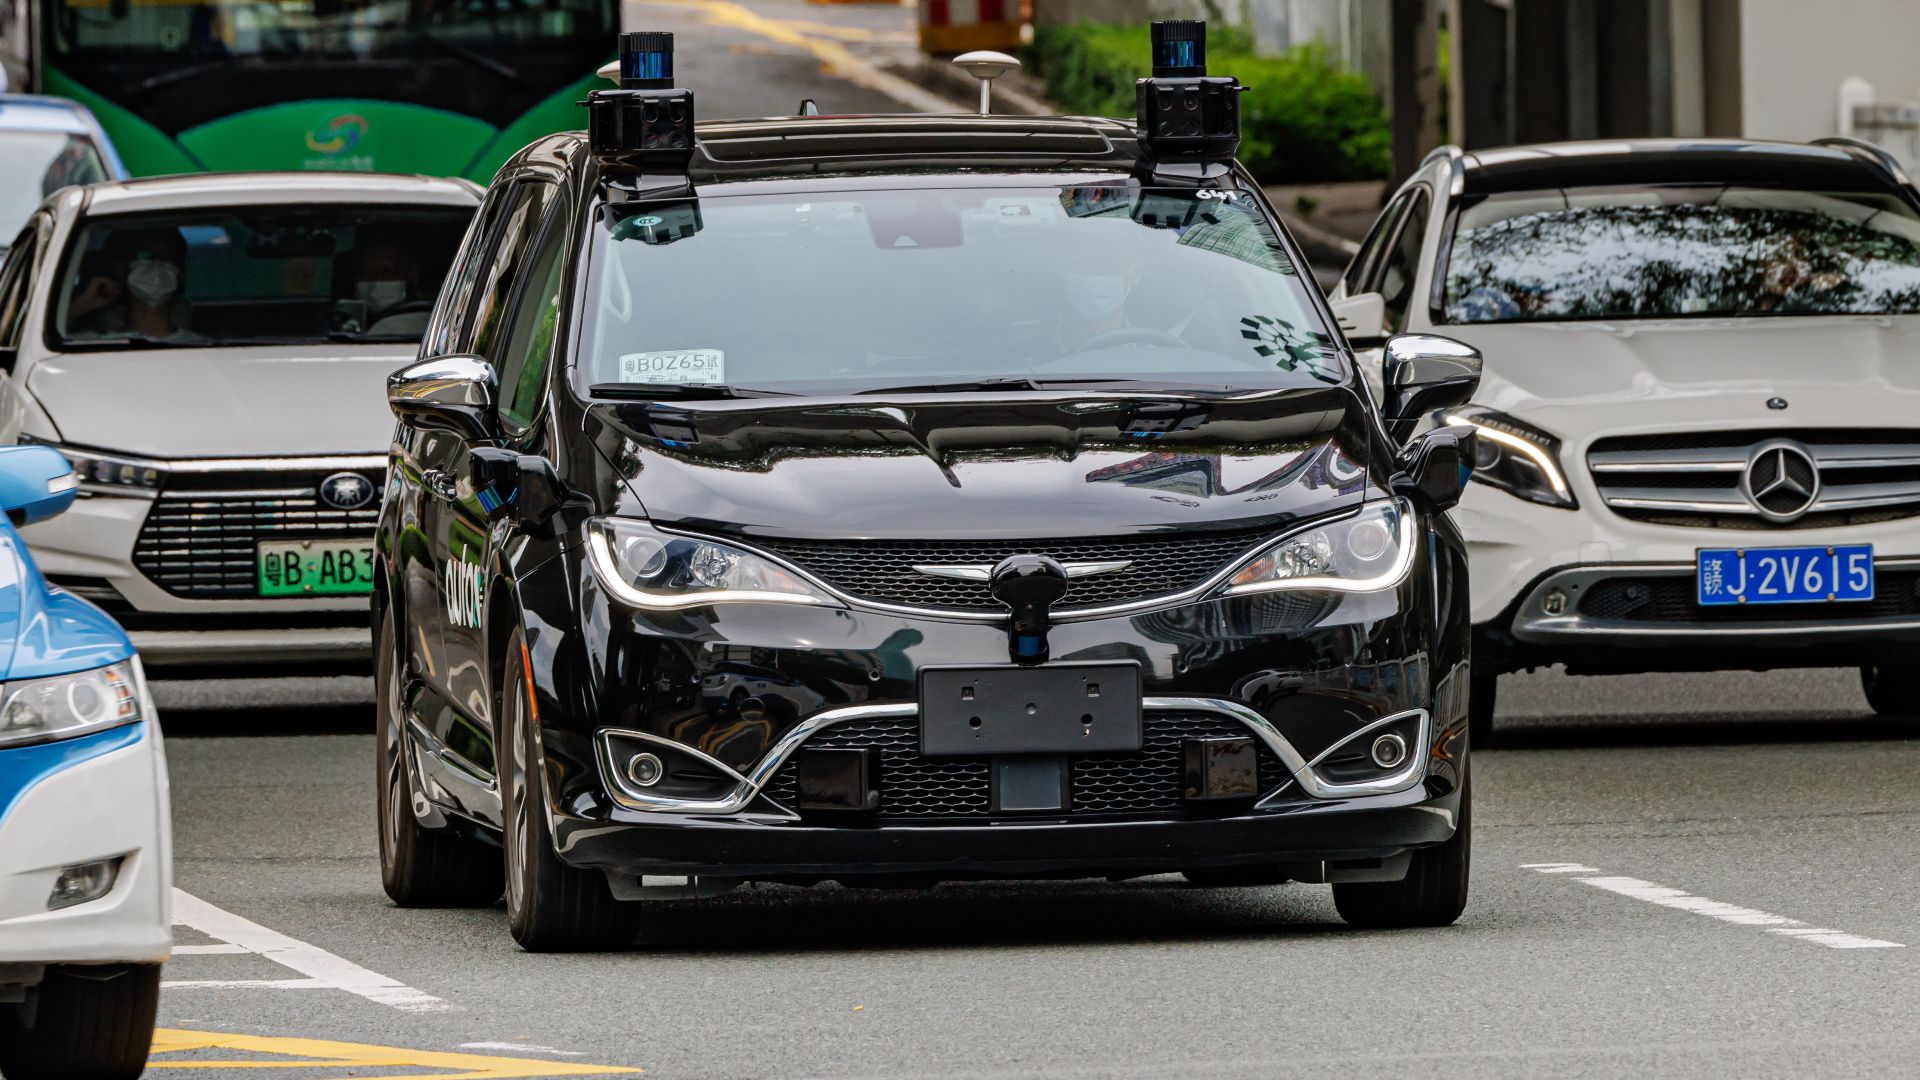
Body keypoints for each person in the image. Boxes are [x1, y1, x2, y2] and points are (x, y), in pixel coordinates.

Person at [66, 228, 200, 342]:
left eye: (167, 257)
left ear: (181, 274)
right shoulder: (90, 344)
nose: (156, 265)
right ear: (120, 269)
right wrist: (80, 306)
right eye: (146, 256)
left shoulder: (205, 348)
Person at [336, 239, 428, 337]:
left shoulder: (428, 322)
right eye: (365, 274)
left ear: (412, 276)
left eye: (386, 273)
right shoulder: (339, 323)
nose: (376, 280)